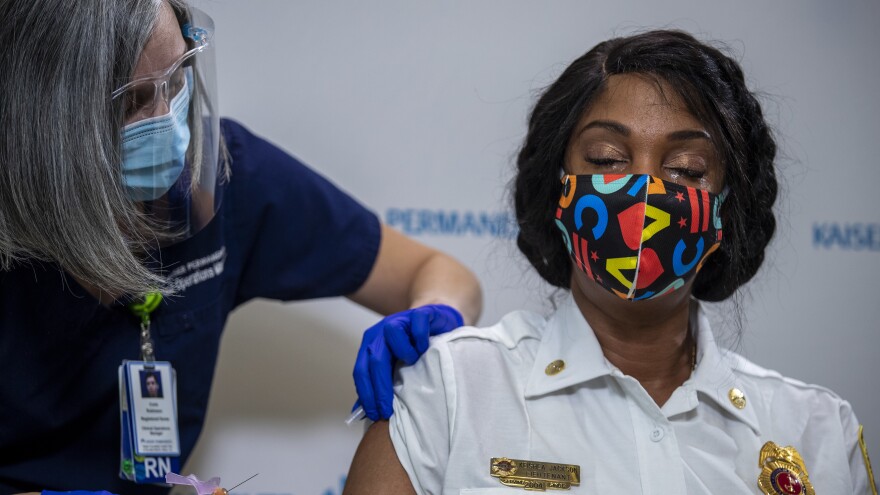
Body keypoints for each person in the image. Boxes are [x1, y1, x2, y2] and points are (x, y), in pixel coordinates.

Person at [344, 30, 875, 494]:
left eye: (687, 169)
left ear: (725, 213)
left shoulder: (818, 430)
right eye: (607, 160)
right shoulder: (449, 390)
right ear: (558, 190)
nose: (644, 191)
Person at [0, 1, 481, 493]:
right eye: (133, 102)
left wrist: (432, 315)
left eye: (177, 76)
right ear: (44, 120)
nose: (166, 119)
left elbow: (441, 274)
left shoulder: (226, 179)